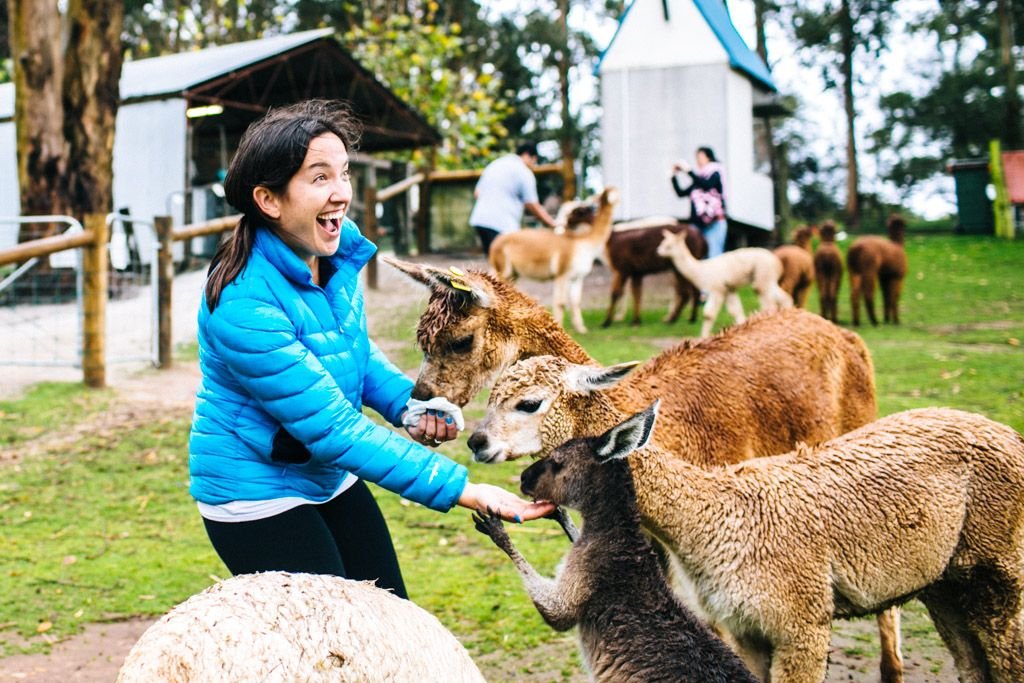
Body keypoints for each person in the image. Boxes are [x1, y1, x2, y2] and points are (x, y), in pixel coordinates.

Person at [188, 99, 555, 599]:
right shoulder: (243, 304)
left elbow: (354, 357)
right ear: (269, 200)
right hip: (255, 493)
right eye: (319, 178)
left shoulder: (332, 255)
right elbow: (332, 429)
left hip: (325, 476)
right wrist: (463, 489)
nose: (341, 193)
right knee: (332, 645)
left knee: (391, 611)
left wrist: (409, 406)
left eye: (344, 173)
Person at [469, 141, 559, 256]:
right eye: (534, 160)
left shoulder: (495, 164)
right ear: (527, 155)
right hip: (501, 225)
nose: (534, 165)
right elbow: (531, 204)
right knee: (504, 268)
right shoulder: (524, 171)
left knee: (494, 264)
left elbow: (477, 193)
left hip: (480, 220)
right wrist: (552, 224)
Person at [671, 146, 728, 259]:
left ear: (708, 157)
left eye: (700, 157)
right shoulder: (698, 179)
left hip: (714, 222)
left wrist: (689, 171)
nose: (698, 160)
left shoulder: (716, 173)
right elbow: (681, 193)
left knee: (713, 256)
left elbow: (706, 185)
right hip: (697, 224)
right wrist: (673, 176)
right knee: (698, 257)